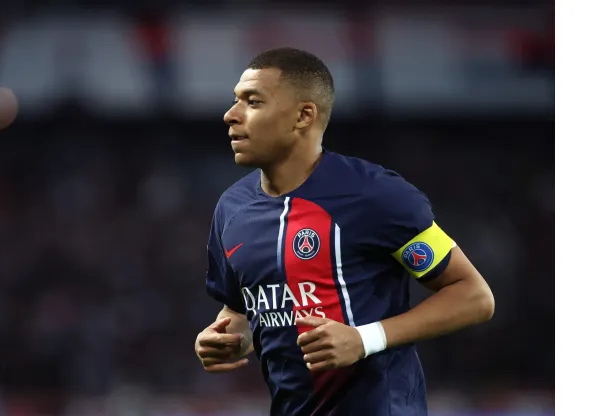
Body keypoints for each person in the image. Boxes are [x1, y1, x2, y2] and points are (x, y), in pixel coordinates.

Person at [194, 47, 495, 416]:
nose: (230, 115)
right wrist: (229, 339)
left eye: (252, 102)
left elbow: (473, 296)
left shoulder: (375, 194)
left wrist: (364, 339)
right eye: (235, 101)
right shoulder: (232, 208)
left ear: (304, 115)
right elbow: (243, 311)